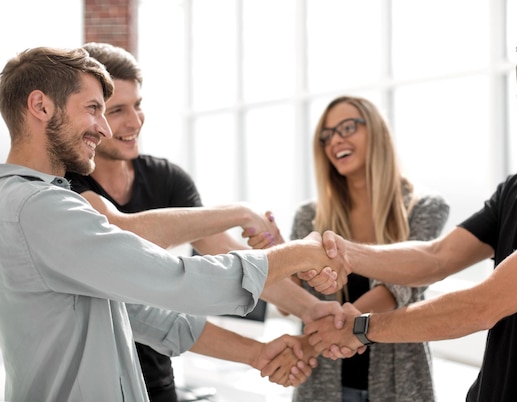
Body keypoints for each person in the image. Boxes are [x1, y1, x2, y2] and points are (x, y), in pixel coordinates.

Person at [0, 46, 346, 402]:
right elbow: (177, 280)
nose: (105, 128)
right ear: (40, 106)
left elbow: (144, 315)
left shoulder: (31, 202)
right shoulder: (41, 209)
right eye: (95, 109)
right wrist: (300, 254)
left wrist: (258, 351)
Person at [302, 28, 517, 401]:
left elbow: (480, 306)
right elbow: (435, 257)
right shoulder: (516, 189)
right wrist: (344, 253)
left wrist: (360, 329)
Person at [64, 42, 297, 402]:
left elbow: (228, 255)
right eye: (117, 110)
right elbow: (121, 230)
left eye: (138, 105)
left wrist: (319, 311)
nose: (134, 121)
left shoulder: (166, 179)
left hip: (157, 382)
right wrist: (240, 211)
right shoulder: (64, 185)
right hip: (90, 387)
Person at [287, 96, 449, 402]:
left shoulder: (423, 208)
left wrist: (343, 326)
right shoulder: (309, 217)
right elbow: (290, 301)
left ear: (375, 131)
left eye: (347, 127)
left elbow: (399, 287)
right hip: (321, 383)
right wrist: (276, 261)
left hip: (398, 385)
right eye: (327, 135)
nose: (336, 140)